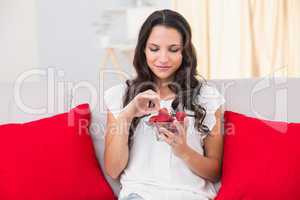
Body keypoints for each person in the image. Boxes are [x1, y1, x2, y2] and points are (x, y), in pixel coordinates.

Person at [103, 9, 225, 200]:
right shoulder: (120, 96)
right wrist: (128, 115)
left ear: (185, 52)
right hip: (139, 194)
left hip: (189, 195)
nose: (163, 58)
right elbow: (113, 169)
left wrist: (183, 150)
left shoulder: (207, 98)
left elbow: (214, 172)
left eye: (173, 49)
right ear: (143, 50)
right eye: (154, 49)